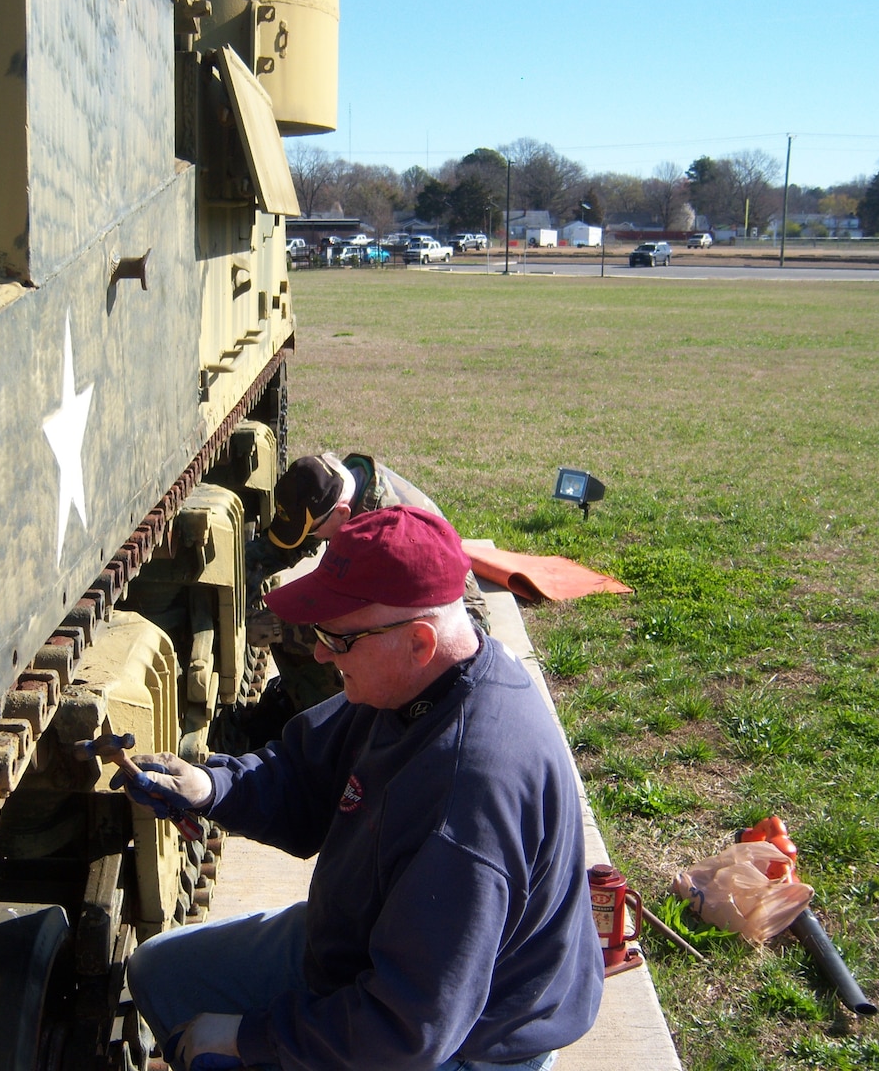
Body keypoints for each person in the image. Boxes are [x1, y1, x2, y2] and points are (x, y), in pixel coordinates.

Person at [121, 506, 603, 1071]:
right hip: (371, 950)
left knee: (218, 1052)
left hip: (463, 1041)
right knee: (162, 974)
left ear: (419, 641)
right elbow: (303, 776)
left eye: (337, 637)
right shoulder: (418, 683)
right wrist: (211, 786)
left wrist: (250, 1039)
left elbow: (410, 1029)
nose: (320, 652)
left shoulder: (466, 797)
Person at [243, 452, 488, 747]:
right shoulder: (337, 486)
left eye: (315, 529)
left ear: (343, 515)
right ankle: (307, 711)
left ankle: (340, 738)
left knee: (313, 640)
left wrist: (284, 629)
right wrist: (248, 563)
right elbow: (296, 541)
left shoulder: (389, 532)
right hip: (401, 616)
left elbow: (379, 621)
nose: (313, 536)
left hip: (442, 641)